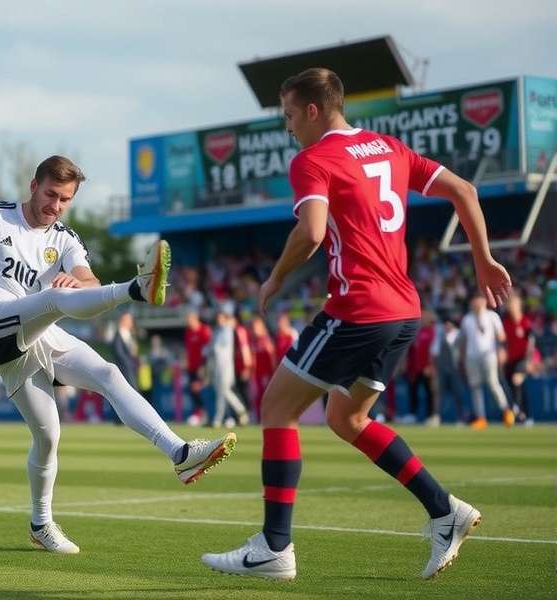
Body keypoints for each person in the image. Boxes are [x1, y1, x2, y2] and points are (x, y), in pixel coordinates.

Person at [201, 68, 510, 581]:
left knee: (277, 407)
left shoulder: (314, 159)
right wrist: (482, 258)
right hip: (404, 312)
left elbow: (313, 230)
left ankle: (274, 547)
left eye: (290, 116)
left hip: (357, 309)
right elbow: (465, 190)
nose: (289, 128)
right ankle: (444, 511)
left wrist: (275, 278)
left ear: (314, 110)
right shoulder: (389, 148)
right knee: (347, 420)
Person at [0, 155, 236, 554]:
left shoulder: (65, 238)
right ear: (33, 186)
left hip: (32, 333)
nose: (55, 206)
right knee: (53, 299)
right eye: (51, 194)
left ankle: (174, 456)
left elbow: (86, 279)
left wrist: (81, 279)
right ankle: (136, 290)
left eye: (65, 199)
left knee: (76, 406)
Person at [460, 292, 514, 430]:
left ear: (484, 301)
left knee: (493, 383)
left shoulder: (492, 316)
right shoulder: (467, 319)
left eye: (479, 300)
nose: (477, 303)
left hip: (489, 355)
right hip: (472, 357)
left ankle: (506, 411)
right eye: (474, 300)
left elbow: (501, 337)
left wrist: (501, 351)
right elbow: (464, 342)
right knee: (475, 387)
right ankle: (481, 417)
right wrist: (462, 359)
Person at [207, 309, 249, 428]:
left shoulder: (227, 330)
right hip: (218, 367)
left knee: (224, 391)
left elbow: (216, 348)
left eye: (221, 318)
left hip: (226, 367)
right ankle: (221, 418)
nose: (219, 320)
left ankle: (236, 411)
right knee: (221, 392)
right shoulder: (218, 331)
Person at [501, 293, 534, 425]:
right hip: (510, 360)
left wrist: (529, 361)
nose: (512, 307)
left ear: (519, 306)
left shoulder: (526, 322)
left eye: (514, 305)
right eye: (510, 305)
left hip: (523, 359)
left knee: (517, 380)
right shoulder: (506, 322)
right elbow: (503, 341)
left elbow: (531, 343)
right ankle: (524, 415)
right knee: (516, 386)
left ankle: (516, 410)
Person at [430, 314, 468, 424]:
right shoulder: (439, 336)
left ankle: (461, 417)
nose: (447, 326)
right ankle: (436, 416)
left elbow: (463, 353)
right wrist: (434, 368)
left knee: (459, 393)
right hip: (442, 370)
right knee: (438, 394)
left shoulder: (459, 335)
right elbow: (434, 353)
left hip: (456, 370)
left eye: (449, 324)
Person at [404, 310, 438, 425]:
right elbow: (412, 351)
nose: (422, 319)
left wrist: (430, 366)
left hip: (427, 368)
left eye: (425, 317)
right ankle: (412, 414)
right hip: (415, 368)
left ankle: (432, 416)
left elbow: (434, 352)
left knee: (429, 392)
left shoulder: (433, 332)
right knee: (413, 391)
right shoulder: (417, 332)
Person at [184, 311, 211, 425]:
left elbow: (207, 350)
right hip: (191, 367)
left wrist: (203, 366)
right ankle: (198, 414)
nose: (187, 321)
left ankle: (205, 414)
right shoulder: (188, 332)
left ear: (195, 318)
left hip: (202, 367)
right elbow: (188, 349)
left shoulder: (204, 330)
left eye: (189, 318)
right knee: (193, 391)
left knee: (202, 391)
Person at [250, 316, 277, 422]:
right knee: (257, 397)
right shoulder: (254, 341)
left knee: (265, 397)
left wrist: (272, 372)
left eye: (255, 327)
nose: (253, 330)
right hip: (257, 374)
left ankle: (268, 418)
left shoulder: (265, 340)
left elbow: (272, 357)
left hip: (266, 374)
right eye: (252, 327)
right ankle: (259, 418)